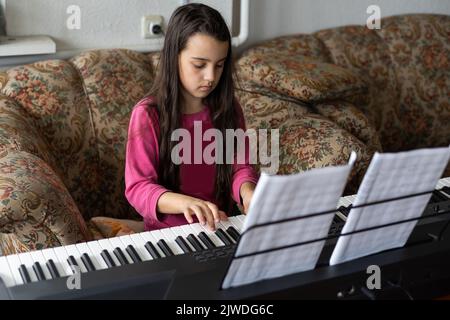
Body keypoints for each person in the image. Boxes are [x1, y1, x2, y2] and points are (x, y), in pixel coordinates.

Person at [125, 3, 259, 232]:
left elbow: (239, 167)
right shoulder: (148, 115)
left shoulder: (229, 108)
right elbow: (138, 187)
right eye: (199, 65)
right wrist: (186, 203)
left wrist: (248, 193)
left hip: (222, 225)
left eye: (219, 65)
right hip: (169, 233)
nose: (210, 77)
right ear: (174, 57)